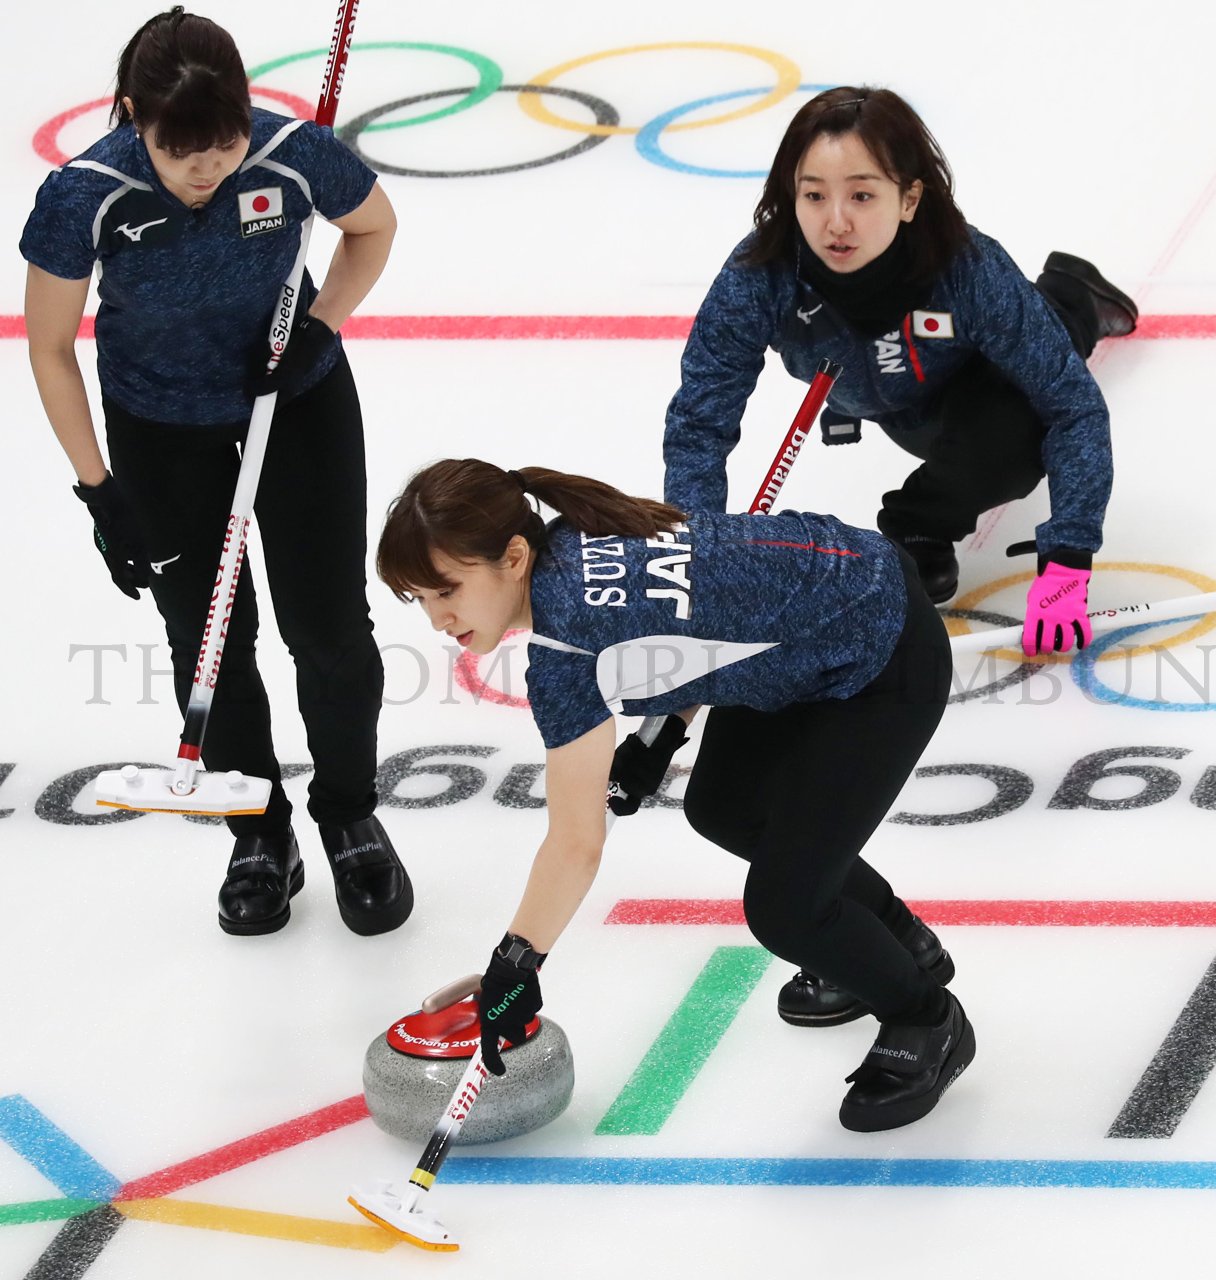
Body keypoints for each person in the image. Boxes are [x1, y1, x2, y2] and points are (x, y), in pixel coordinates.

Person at [376, 458, 973, 1133]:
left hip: (882, 655)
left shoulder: (566, 648)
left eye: (446, 589)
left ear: (513, 557)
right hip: (815, 632)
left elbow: (576, 844)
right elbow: (702, 615)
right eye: (419, 599)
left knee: (785, 911)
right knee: (722, 805)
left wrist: (515, 966)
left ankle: (926, 1017)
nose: (436, 618)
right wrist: (661, 737)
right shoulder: (574, 540)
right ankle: (899, 943)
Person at [21, 7, 412, 938]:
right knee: (208, 639)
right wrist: (99, 489)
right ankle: (258, 830)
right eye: (180, 149)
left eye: (226, 142)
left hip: (298, 397)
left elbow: (374, 229)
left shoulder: (290, 153)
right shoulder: (86, 194)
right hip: (161, 426)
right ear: (130, 117)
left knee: (329, 628)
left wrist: (317, 332)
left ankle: (349, 814)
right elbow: (47, 348)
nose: (208, 169)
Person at [663, 86, 1137, 659]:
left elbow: (1074, 408)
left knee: (1023, 415)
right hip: (881, 396)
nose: (836, 222)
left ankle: (1068, 300)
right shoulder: (757, 274)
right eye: (813, 196)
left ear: (909, 199)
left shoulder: (968, 266)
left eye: (862, 196)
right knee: (999, 373)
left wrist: (1069, 560)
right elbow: (699, 424)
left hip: (973, 381)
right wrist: (695, 558)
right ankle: (1059, 300)